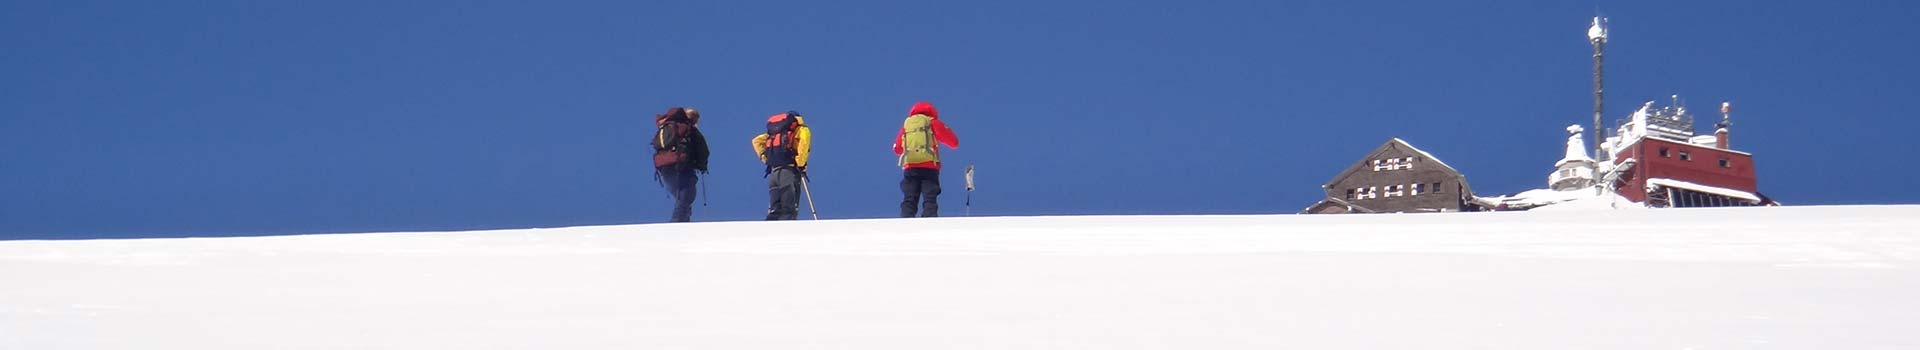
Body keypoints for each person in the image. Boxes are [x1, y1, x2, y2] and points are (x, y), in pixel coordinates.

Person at [892, 101, 960, 217]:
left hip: (910, 166)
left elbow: (897, 149)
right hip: (929, 166)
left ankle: (905, 223)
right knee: (930, 197)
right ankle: (929, 222)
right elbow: (954, 143)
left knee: (909, 197)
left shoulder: (907, 125)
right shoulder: (932, 122)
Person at [651, 107, 709, 222]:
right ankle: (677, 225)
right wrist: (702, 166)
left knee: (682, 199)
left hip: (665, 169)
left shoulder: (667, 128)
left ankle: (684, 222)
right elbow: (703, 151)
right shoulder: (690, 130)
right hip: (683, 167)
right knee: (687, 196)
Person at [752, 111, 811, 220]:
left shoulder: (773, 134)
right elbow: (803, 147)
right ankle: (787, 234)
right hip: (788, 172)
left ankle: (769, 233)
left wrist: (765, 158)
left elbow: (756, 141)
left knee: (774, 210)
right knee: (788, 210)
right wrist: (800, 164)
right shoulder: (802, 130)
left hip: (773, 173)